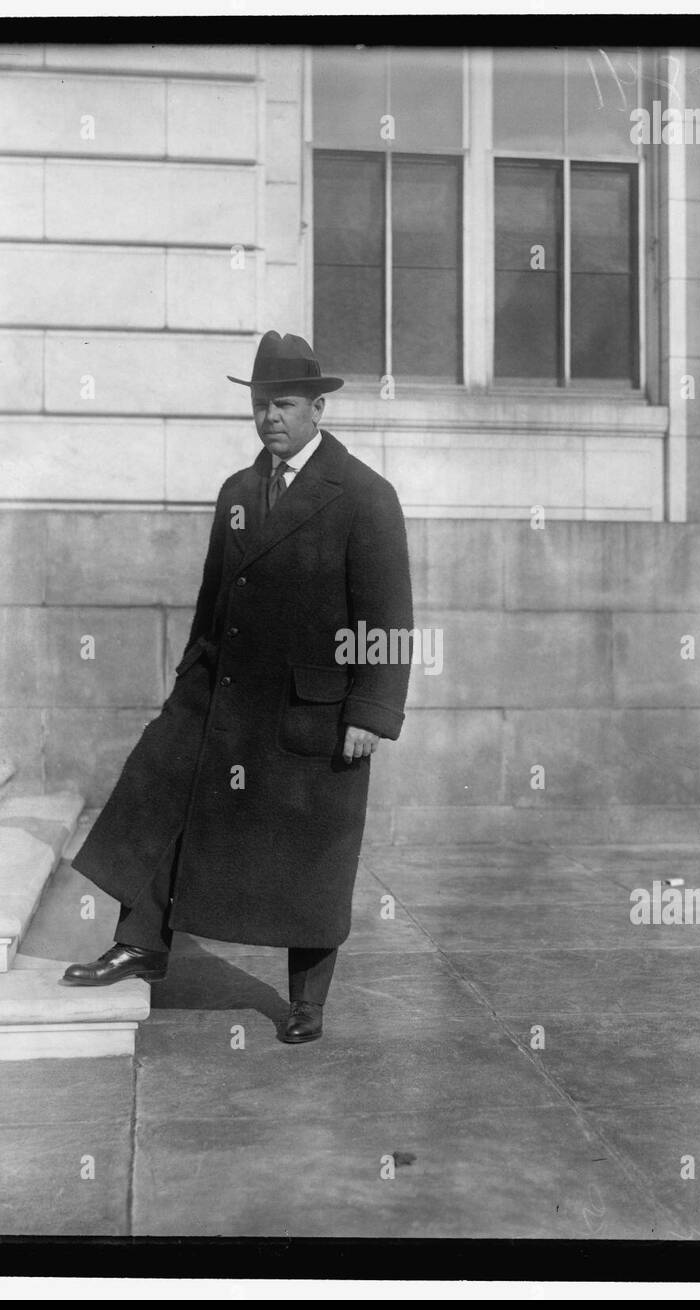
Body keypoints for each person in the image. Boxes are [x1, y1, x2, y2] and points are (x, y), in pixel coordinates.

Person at [63, 331, 414, 1044]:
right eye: (259, 405)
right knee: (162, 795)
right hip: (219, 694)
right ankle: (142, 942)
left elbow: (388, 617)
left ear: (318, 408)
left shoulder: (365, 497)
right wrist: (188, 685)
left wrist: (371, 711)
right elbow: (212, 599)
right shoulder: (237, 491)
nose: (269, 419)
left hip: (309, 709)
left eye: (283, 404)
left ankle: (307, 1000)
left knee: (309, 852)